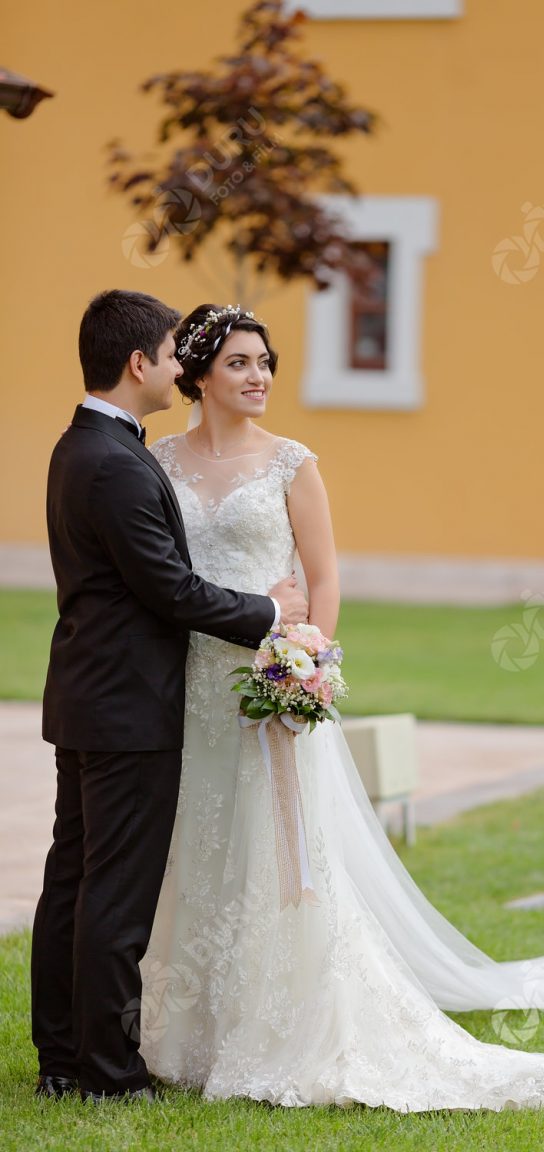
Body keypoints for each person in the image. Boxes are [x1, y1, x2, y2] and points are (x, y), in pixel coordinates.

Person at [141, 303, 544, 1112]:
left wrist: (303, 668)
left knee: (282, 858)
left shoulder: (293, 463)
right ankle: (189, 1035)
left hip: (269, 685)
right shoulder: (159, 464)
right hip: (193, 686)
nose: (259, 376)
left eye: (266, 362)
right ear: (197, 374)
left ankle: (288, 1028)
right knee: (199, 842)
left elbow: (324, 578)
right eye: (239, 363)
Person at [32, 291, 308, 1104]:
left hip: (89, 698)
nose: (181, 365)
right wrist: (270, 613)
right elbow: (171, 590)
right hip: (127, 710)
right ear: (138, 365)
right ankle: (109, 1075)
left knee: (76, 883)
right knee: (113, 896)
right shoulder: (117, 461)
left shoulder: (84, 445)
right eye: (170, 352)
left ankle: (63, 1058)